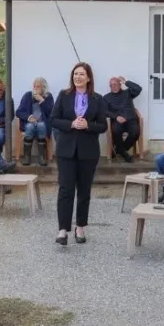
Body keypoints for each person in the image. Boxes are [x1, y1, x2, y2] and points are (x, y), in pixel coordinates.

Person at [51, 62, 107, 245]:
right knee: (65, 189)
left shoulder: (98, 99)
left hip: (88, 152)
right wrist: (71, 124)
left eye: (82, 74)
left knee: (84, 191)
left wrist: (87, 126)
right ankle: (62, 230)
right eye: (75, 74)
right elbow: (53, 120)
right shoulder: (64, 95)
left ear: (88, 77)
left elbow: (103, 126)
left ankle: (80, 227)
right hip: (66, 150)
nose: (78, 77)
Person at [15, 77, 54, 166]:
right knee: (30, 126)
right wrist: (28, 117)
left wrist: (42, 100)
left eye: (38, 87)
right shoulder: (27, 96)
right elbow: (19, 112)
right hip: (29, 123)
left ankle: (41, 157)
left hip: (42, 124)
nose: (36, 89)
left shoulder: (48, 96)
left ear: (43, 88)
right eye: (34, 86)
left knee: (41, 125)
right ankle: (27, 157)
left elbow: (51, 113)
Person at [103, 75, 143, 162]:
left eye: (115, 84)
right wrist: (116, 117)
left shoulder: (127, 93)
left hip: (131, 119)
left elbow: (138, 89)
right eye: (111, 85)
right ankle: (124, 153)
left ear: (120, 84)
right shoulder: (106, 97)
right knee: (115, 131)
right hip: (117, 121)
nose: (113, 86)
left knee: (135, 132)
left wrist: (126, 82)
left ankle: (119, 150)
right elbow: (104, 111)